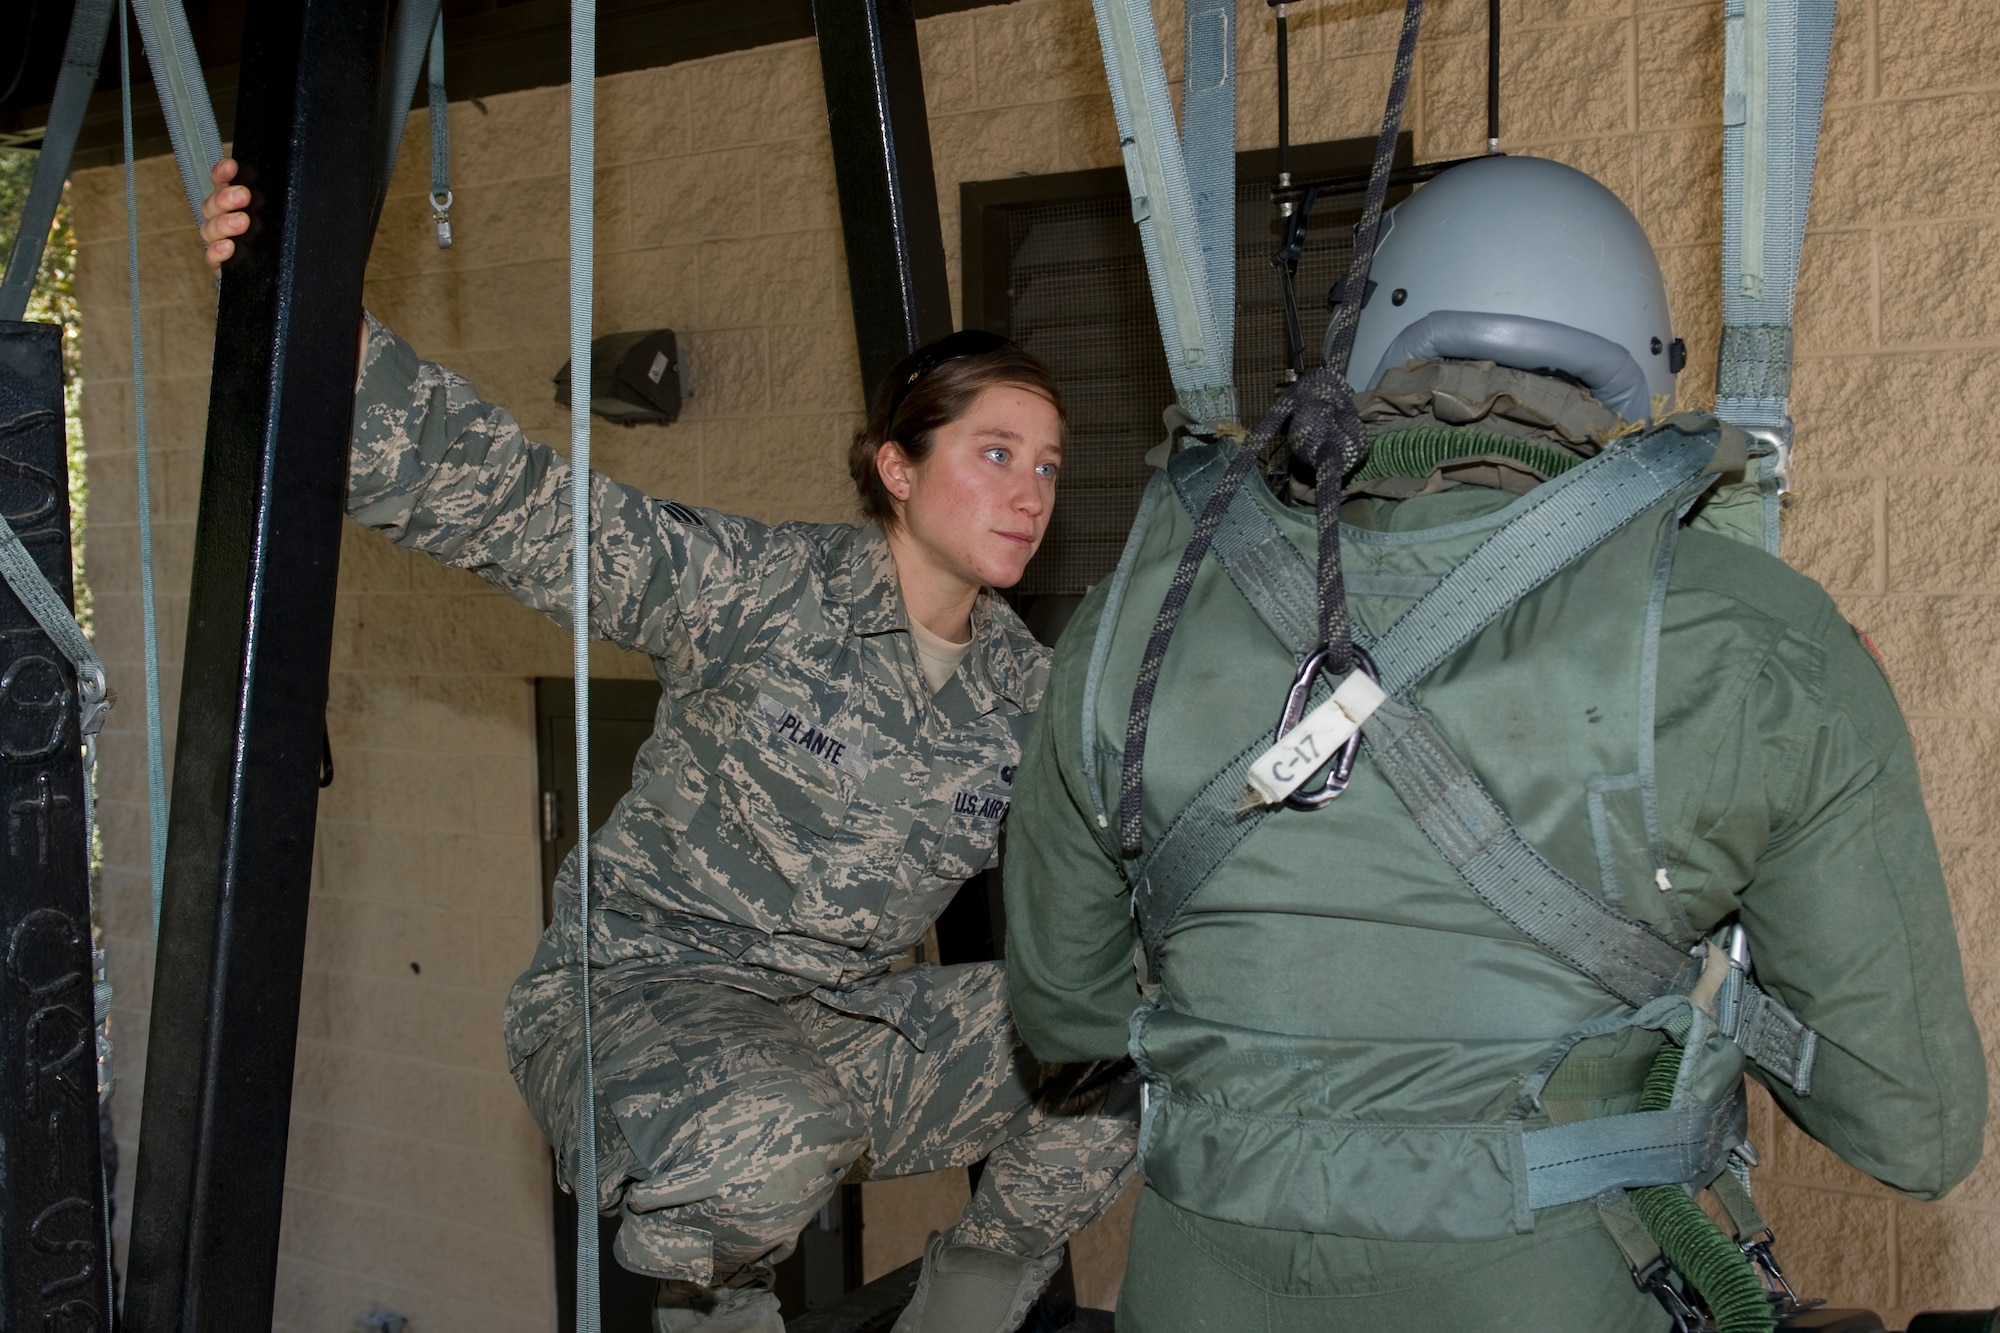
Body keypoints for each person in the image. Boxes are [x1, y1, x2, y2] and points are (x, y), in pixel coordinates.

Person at [1003, 155, 1987, 1332]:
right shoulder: (1752, 639)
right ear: (1634, 358)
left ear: (1375, 338)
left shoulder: (1129, 624)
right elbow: (1911, 1125)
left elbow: (1066, 1018)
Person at [199, 161, 1137, 1333]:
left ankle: (970, 1301)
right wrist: (317, 330)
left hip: (836, 1033)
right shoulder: (761, 590)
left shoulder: (1027, 692)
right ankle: (714, 1305)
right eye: (995, 452)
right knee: (769, 1138)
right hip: (640, 1005)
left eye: (1047, 465)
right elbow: (528, 512)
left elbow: (1136, 835)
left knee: (1117, 1040)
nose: (1030, 491)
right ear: (896, 469)